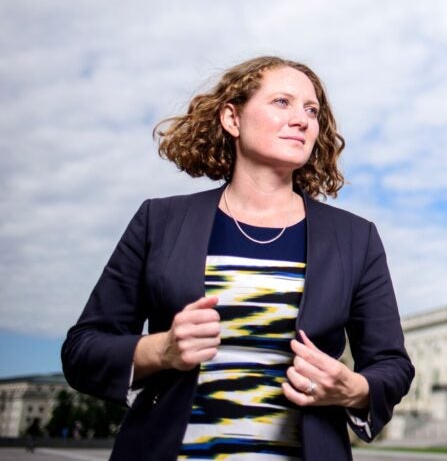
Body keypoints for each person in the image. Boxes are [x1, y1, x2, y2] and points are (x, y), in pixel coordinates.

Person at [62, 56, 414, 460]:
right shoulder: (159, 221)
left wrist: (353, 389)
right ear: (232, 117)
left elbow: (391, 364)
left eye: (311, 110)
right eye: (282, 102)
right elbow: (82, 351)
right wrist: (161, 350)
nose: (302, 119)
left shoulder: (355, 238)